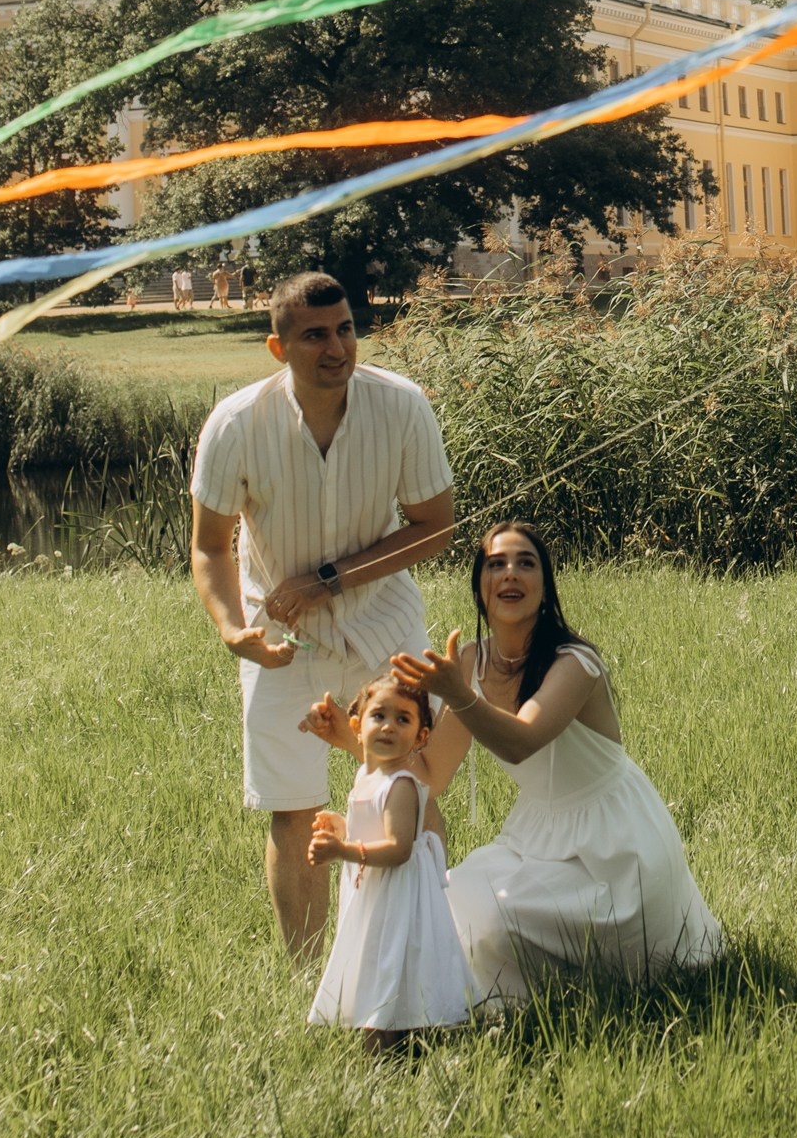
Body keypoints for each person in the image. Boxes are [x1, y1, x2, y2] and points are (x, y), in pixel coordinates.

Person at [188, 270, 456, 953]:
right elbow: (210, 546)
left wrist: (328, 580)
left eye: (345, 330)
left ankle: (425, 953)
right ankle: (307, 974)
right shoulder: (235, 424)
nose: (336, 349)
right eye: (314, 336)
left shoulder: (401, 406)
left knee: (413, 784)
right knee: (293, 806)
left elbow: (436, 527)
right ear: (278, 348)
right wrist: (232, 629)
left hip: (383, 619)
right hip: (281, 636)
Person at [392, 522, 724, 1004]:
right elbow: (429, 774)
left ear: (545, 589)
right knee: (453, 898)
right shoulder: (470, 662)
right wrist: (355, 740)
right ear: (479, 588)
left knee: (495, 921)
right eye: (496, 564)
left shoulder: (575, 661)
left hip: (616, 848)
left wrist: (459, 696)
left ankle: (564, 995)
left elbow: (522, 741)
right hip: (537, 833)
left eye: (526, 563)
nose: (510, 573)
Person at [306, 671, 473, 1049]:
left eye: (403, 719)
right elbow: (374, 828)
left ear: (421, 737)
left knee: (395, 959)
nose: (388, 726)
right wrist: (344, 827)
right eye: (379, 715)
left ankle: (395, 1037)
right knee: (375, 957)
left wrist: (342, 851)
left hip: (398, 893)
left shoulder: (400, 785)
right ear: (356, 726)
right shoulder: (367, 775)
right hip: (376, 890)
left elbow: (398, 849)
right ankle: (386, 1032)